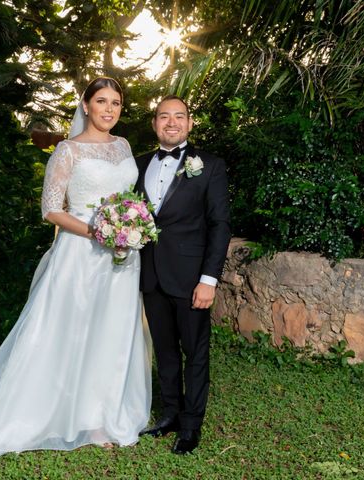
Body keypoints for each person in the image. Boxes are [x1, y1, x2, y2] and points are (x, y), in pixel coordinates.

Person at [0, 77, 151, 461]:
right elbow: (50, 209)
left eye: (116, 103)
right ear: (85, 105)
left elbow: (129, 197)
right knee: (69, 331)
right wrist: (99, 230)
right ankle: (50, 411)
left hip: (122, 257)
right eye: (101, 101)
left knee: (112, 332)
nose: (109, 110)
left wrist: (128, 230)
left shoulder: (124, 146)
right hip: (81, 254)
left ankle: (100, 417)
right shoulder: (67, 151)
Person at [135, 95, 231, 455]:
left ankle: (191, 427)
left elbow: (219, 224)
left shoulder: (210, 165)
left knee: (195, 351)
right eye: (164, 116)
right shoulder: (138, 164)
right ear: (155, 123)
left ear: (190, 124)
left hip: (192, 278)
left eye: (179, 116)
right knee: (165, 350)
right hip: (150, 275)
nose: (171, 122)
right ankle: (171, 414)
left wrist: (209, 279)